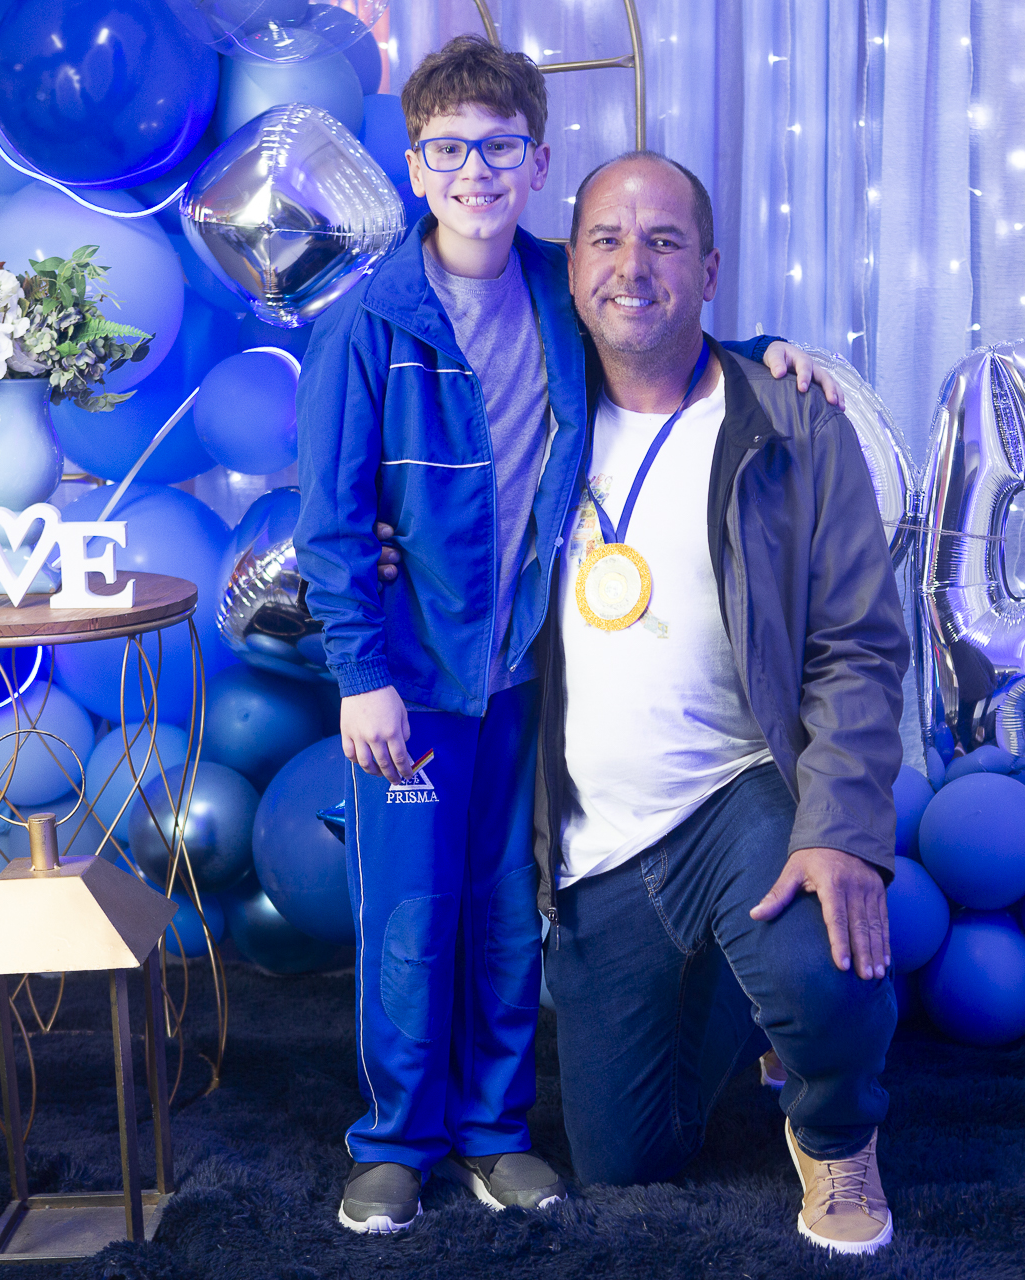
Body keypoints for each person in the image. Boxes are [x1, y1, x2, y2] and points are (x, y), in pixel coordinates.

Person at [294, 37, 840, 1237]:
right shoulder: (367, 322)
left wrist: (765, 355)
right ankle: (396, 1140)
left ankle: (494, 1129)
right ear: (414, 165)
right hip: (414, 686)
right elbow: (330, 524)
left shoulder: (558, 286)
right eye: (449, 150)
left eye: (500, 149)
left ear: (537, 163)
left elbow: (658, 332)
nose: (475, 172)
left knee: (505, 910)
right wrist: (362, 672)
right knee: (408, 921)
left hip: (529, 677)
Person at [535, 151, 908, 1256]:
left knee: (827, 968)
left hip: (743, 787)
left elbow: (859, 644)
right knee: (624, 1158)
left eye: (663, 241)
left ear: (708, 268)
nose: (632, 266)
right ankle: (742, 1000)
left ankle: (835, 1129)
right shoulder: (531, 414)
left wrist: (840, 829)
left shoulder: (792, 419)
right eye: (606, 239)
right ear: (570, 267)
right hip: (595, 842)